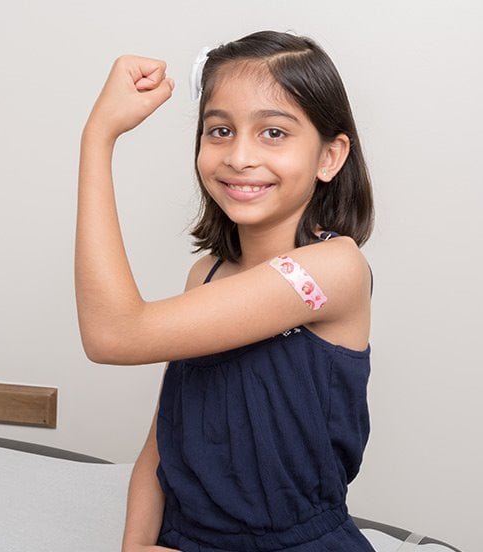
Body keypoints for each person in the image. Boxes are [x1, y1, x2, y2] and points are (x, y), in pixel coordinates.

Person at [76, 30, 375, 551]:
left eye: (274, 133)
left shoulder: (333, 270)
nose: (239, 156)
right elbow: (164, 437)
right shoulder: (206, 276)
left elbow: (113, 335)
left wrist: (98, 139)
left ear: (330, 156)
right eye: (219, 130)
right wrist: (134, 544)